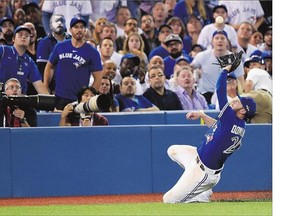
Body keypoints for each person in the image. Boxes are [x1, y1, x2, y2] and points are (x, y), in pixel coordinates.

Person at [163, 64, 257, 203]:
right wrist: (202, 114)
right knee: (172, 150)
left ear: (243, 111)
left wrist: (225, 70)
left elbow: (219, 91)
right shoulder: (238, 124)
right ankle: (197, 186)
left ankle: (201, 194)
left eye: (239, 102)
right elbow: (218, 127)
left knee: (168, 200)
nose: (236, 100)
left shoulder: (231, 118)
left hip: (204, 172)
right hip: (197, 157)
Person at [43, 16, 103, 111]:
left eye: (82, 27)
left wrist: (89, 97)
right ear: (70, 30)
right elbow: (50, 66)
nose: (79, 30)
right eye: (76, 27)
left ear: (85, 30)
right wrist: (45, 87)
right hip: (59, 97)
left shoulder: (92, 52)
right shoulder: (60, 47)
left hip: (79, 100)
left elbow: (98, 77)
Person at [191, 30, 245, 105]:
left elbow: (241, 81)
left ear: (227, 42)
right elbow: (190, 68)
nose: (219, 40)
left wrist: (240, 98)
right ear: (212, 42)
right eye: (217, 38)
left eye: (222, 38)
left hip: (226, 94)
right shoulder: (202, 56)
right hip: (205, 94)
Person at [0, 25, 48, 95]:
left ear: (29, 40)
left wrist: (50, 103)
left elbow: (39, 85)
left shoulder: (29, 61)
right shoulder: (3, 50)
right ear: (13, 39)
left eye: (27, 35)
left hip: (18, 101)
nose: (23, 37)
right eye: (20, 35)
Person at [36, 14, 71, 94]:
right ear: (51, 26)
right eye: (56, 21)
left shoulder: (72, 41)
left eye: (62, 21)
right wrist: (46, 87)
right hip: (53, 87)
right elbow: (42, 68)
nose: (59, 23)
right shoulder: (44, 43)